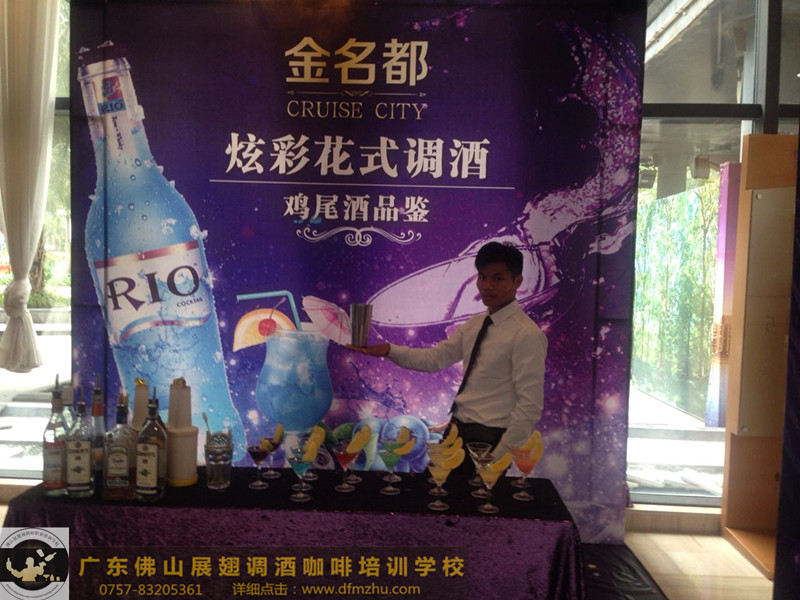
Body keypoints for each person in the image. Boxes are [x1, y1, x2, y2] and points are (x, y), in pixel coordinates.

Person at [348, 241, 547, 459]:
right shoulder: (475, 324)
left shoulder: (527, 335)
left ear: (517, 281)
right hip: (457, 429)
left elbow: (530, 406)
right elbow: (434, 359)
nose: (487, 286)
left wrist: (497, 456)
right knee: (437, 481)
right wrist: (388, 350)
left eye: (498, 278)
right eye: (482, 277)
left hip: (491, 438)